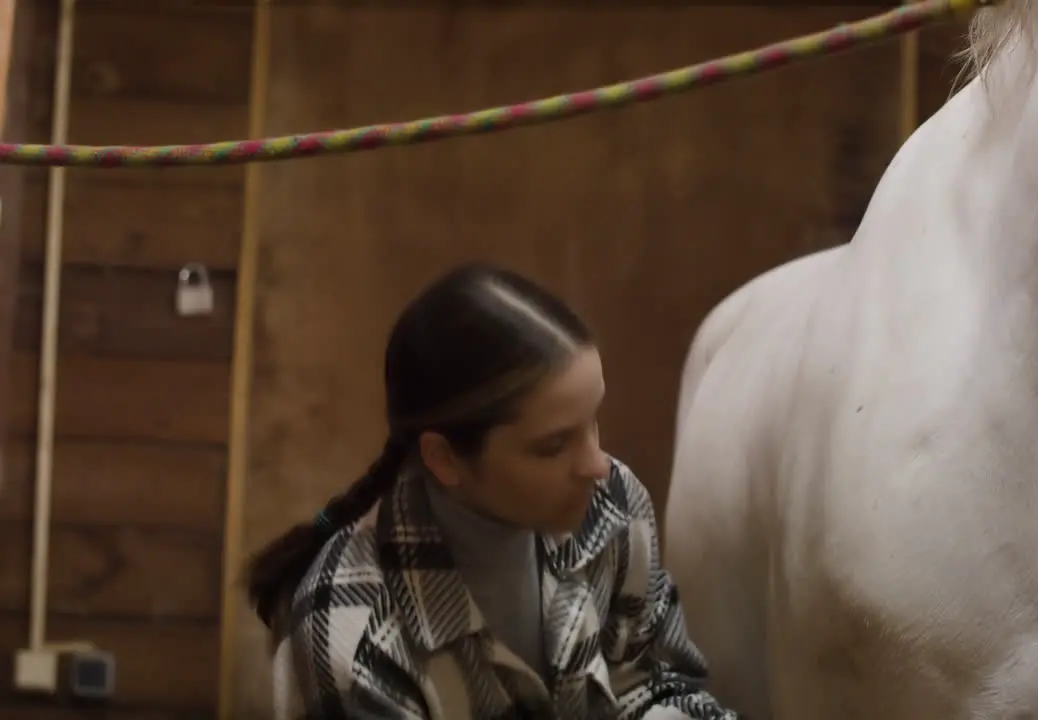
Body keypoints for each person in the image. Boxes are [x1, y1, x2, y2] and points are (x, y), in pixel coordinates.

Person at [245, 263, 739, 720]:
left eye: (593, 420)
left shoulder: (613, 504)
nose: (597, 464)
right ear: (444, 458)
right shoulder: (353, 635)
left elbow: (647, 681)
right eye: (552, 447)